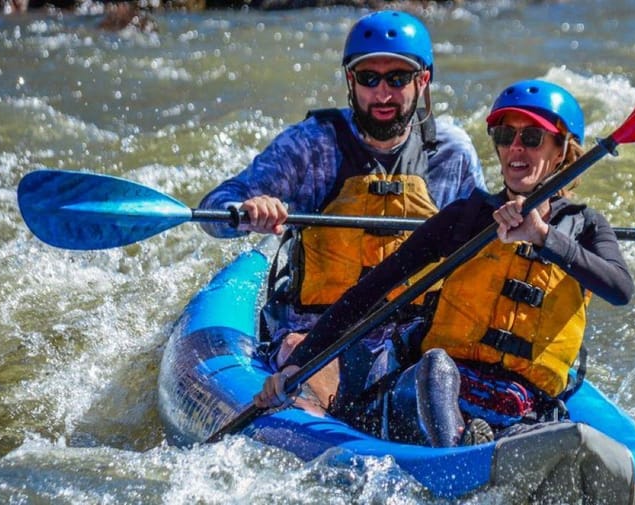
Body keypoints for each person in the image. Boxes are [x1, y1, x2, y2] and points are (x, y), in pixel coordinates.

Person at [256, 79, 635, 450]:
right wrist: (299, 364)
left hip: (523, 404)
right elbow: (372, 292)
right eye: (505, 136)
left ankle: (497, 446)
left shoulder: (584, 227)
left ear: (562, 151)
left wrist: (544, 238)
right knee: (436, 365)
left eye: (532, 138)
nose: (515, 148)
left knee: (526, 426)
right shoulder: (468, 216)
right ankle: (458, 458)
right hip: (436, 389)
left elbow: (619, 289)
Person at [198, 10, 487, 407]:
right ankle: (313, 425)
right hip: (317, 334)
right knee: (307, 370)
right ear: (351, 81)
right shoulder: (311, 145)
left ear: (423, 81)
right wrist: (249, 209)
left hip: (413, 337)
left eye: (397, 79)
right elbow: (214, 210)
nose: (382, 94)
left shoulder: (451, 153)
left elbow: (486, 249)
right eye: (369, 78)